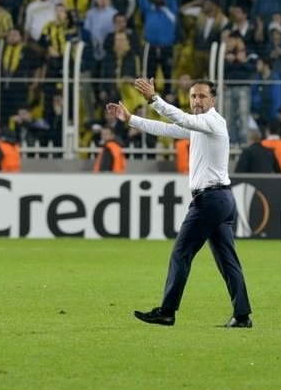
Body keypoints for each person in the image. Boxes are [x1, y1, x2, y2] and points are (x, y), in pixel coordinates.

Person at [106, 78, 252, 328]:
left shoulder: (212, 121)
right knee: (227, 260)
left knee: (181, 254)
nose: (196, 100)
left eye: (202, 96)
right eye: (193, 96)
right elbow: (166, 129)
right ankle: (242, 316)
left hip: (210, 200)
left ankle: (167, 311)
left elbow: (181, 120)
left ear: (213, 101)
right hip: (221, 199)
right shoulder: (201, 125)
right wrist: (130, 119)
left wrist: (154, 99)